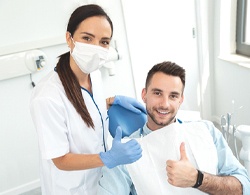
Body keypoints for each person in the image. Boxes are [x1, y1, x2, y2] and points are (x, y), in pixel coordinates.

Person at [29, 4, 145, 195]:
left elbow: (85, 106)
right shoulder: (47, 96)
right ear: (69, 38)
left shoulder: (94, 74)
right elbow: (60, 159)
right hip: (72, 188)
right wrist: (108, 158)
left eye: (104, 42)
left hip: (101, 182)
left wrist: (111, 102)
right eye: (87, 38)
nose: (96, 48)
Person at [97, 61, 250, 195]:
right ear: (144, 95)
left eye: (173, 96)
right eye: (157, 93)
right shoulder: (126, 151)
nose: (164, 104)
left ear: (181, 100)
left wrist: (198, 179)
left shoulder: (206, 131)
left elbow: (243, 188)